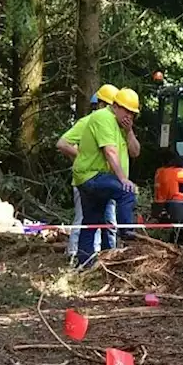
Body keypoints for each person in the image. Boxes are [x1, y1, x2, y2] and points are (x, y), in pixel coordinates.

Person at [71, 87, 143, 267]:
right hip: (92, 175)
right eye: (127, 111)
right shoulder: (103, 118)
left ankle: (85, 264)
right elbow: (110, 152)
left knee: (91, 222)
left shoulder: (121, 126)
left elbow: (135, 152)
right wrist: (123, 180)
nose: (129, 116)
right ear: (116, 106)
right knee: (128, 192)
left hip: (95, 177)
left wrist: (129, 131)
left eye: (133, 114)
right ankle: (128, 234)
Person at [57, 85, 122, 259]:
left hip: (105, 181)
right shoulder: (87, 122)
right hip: (87, 180)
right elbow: (62, 143)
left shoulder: (113, 125)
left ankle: (108, 257)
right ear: (102, 105)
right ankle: (75, 256)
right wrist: (83, 158)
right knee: (85, 220)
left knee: (108, 222)